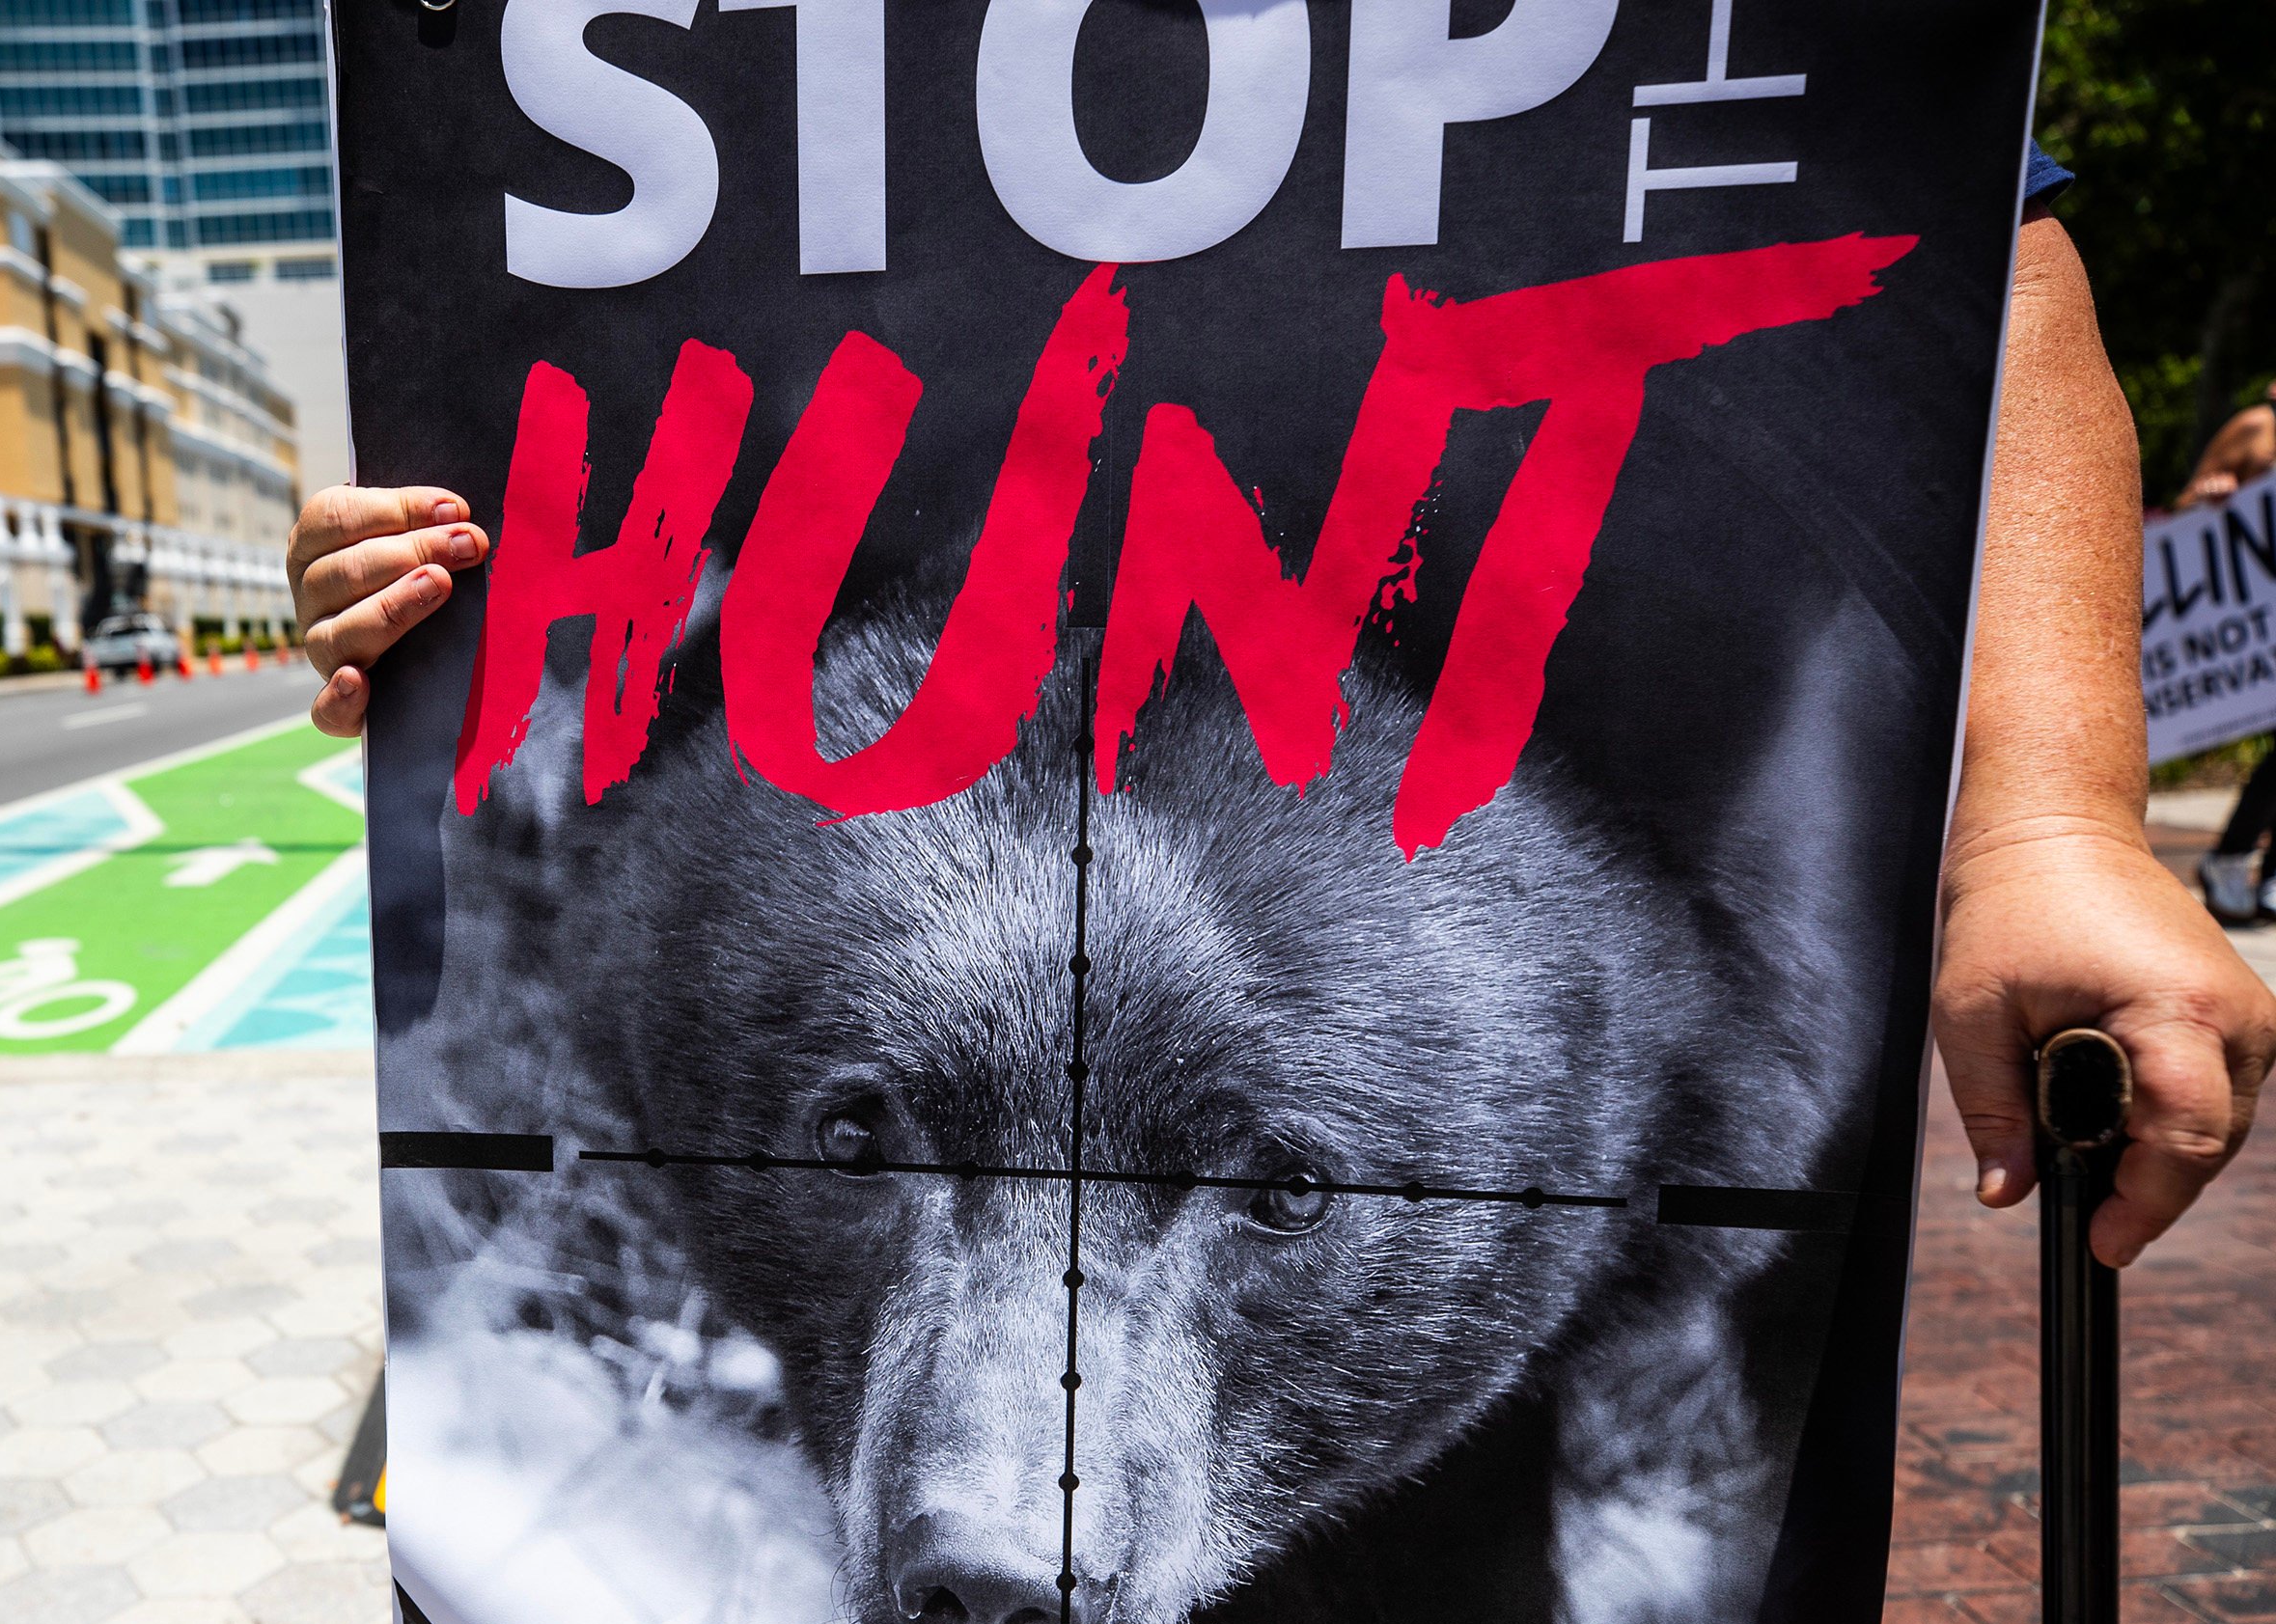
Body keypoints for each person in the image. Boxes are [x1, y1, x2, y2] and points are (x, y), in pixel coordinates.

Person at [284, 164, 2276, 1275]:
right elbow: (584, 390)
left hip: (1525, 741)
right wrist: (431, 576)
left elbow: (1976, 280)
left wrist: (2050, 816)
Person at [2179, 379, 2276, 924]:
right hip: (2254, 614)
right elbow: (2187, 503)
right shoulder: (2257, 427)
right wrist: (2212, 494)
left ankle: (2261, 872)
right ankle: (2231, 855)